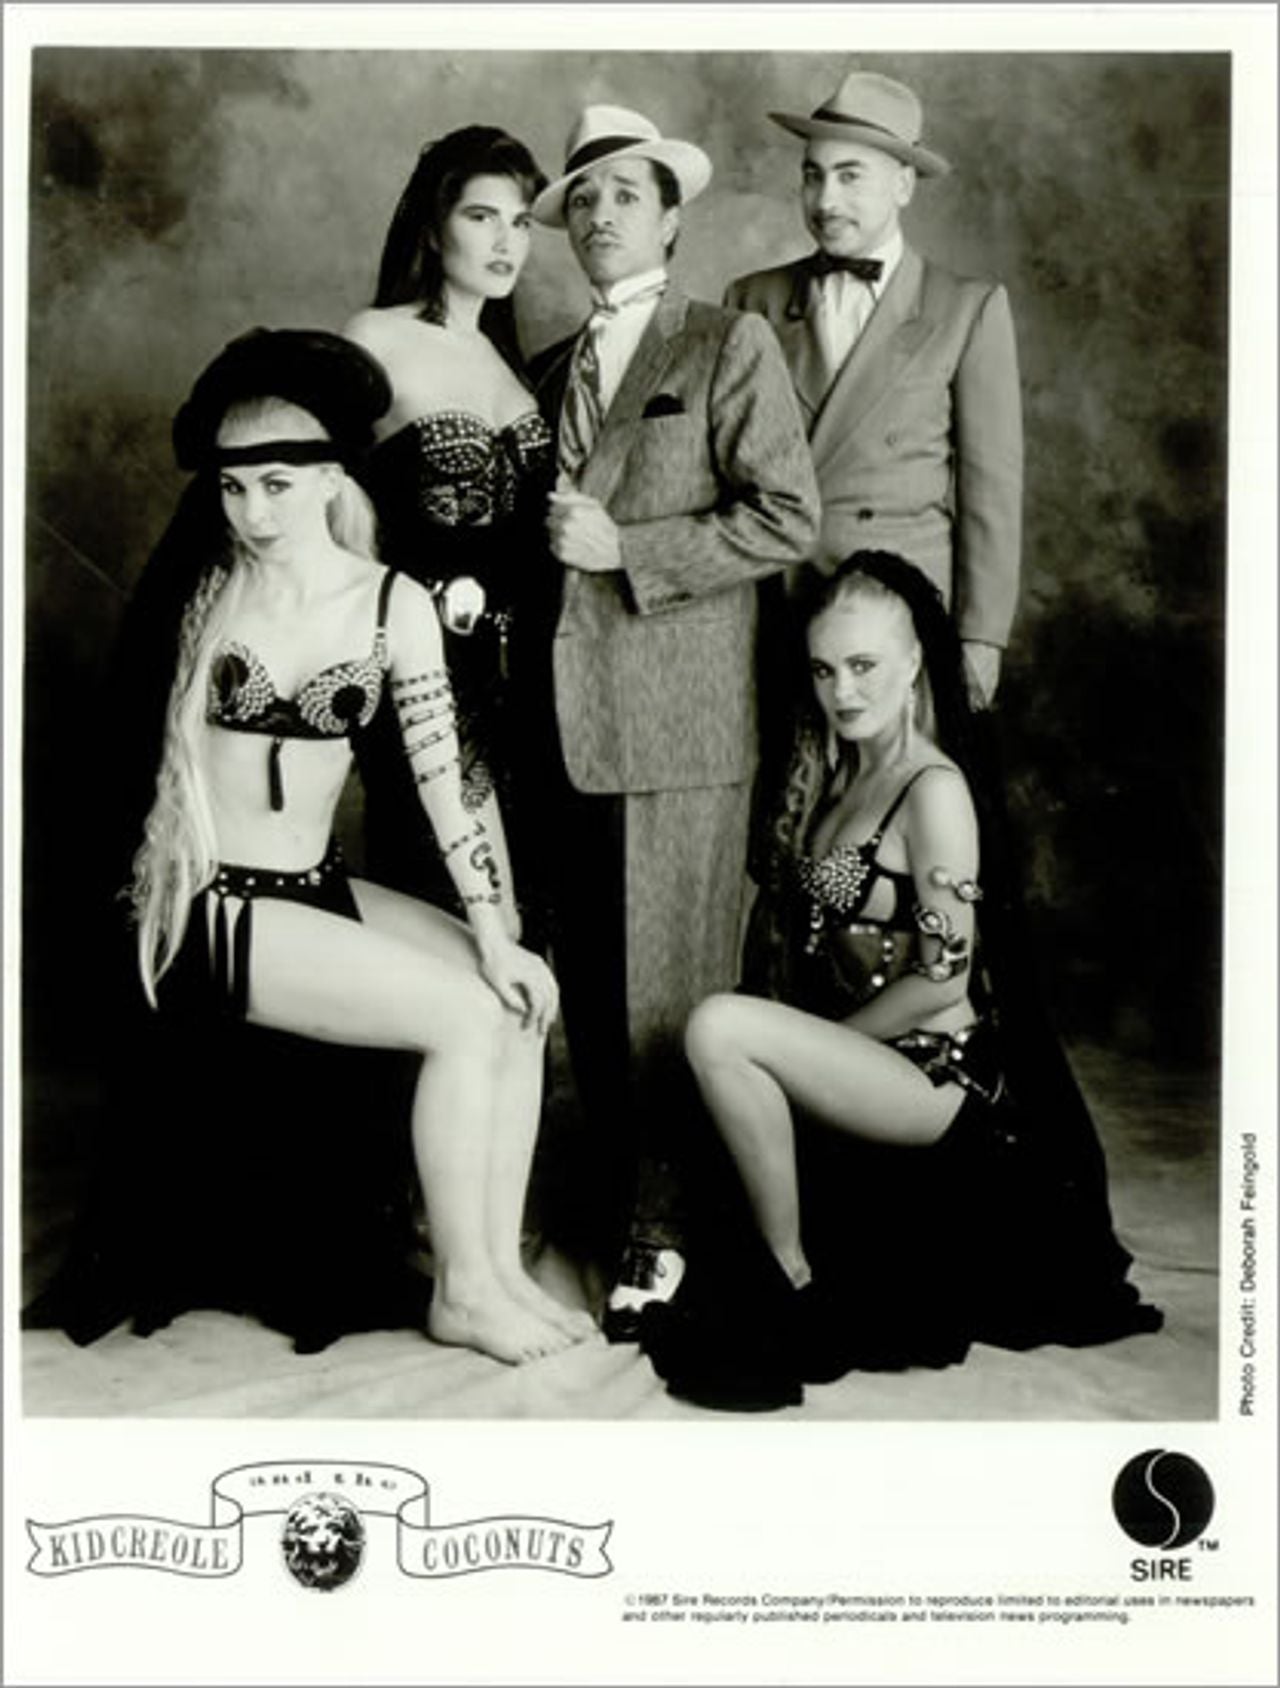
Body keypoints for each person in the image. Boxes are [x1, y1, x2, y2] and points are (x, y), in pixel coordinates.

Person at [30, 328, 588, 1367]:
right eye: (235, 489)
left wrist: (496, 933)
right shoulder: (207, 595)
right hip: (212, 906)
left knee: (515, 996)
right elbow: (130, 765)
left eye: (278, 486)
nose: (253, 514)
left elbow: (449, 783)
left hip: (310, 888)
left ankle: (496, 1269)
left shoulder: (391, 603)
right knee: (466, 1017)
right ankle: (463, 1290)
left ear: (332, 477)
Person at [640, 551, 1162, 1409]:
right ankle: (782, 1259)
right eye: (824, 670)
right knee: (713, 1051)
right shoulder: (844, 770)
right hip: (872, 1062)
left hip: (936, 1078)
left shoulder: (934, 790)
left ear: (915, 660)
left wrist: (821, 1047)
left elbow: (945, 981)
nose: (842, 691)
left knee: (719, 1027)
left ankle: (792, 1276)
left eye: (864, 666)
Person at [525, 104, 821, 1334]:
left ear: (670, 220)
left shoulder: (723, 342)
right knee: (593, 991)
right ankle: (609, 1198)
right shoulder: (546, 368)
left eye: (624, 196)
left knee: (667, 990)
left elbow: (785, 517)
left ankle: (665, 1229)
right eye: (582, 200)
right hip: (564, 725)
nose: (600, 216)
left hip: (682, 725)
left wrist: (628, 549)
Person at [725, 70, 1022, 708]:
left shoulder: (966, 307)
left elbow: (991, 490)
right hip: (777, 607)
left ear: (903, 184)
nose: (825, 199)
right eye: (813, 175)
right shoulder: (751, 300)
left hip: (900, 615)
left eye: (850, 175)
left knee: (897, 770)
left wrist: (981, 637)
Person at [343, 127, 553, 924]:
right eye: (481, 217)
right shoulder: (375, 338)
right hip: (425, 666)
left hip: (522, 674)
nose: (506, 241)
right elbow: (336, 515)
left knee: (524, 907)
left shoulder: (514, 366)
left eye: (521, 222)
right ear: (432, 230)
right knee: (449, 905)